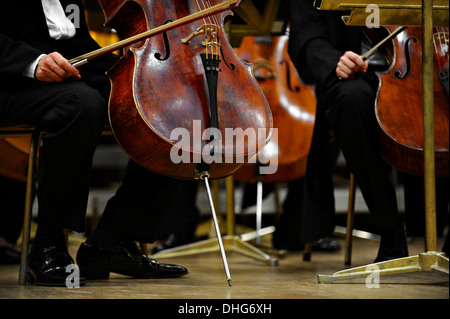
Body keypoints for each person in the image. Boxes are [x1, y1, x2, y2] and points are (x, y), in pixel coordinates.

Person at [0, 0, 188, 286]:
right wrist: (32, 63)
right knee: (81, 106)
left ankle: (115, 239)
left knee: (170, 100)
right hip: (11, 75)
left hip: (70, 64)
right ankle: (49, 247)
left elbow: (71, 38)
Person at [287, 1, 409, 262]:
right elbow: (306, 35)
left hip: (418, 65)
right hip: (358, 77)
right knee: (349, 100)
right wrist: (336, 63)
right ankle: (391, 233)